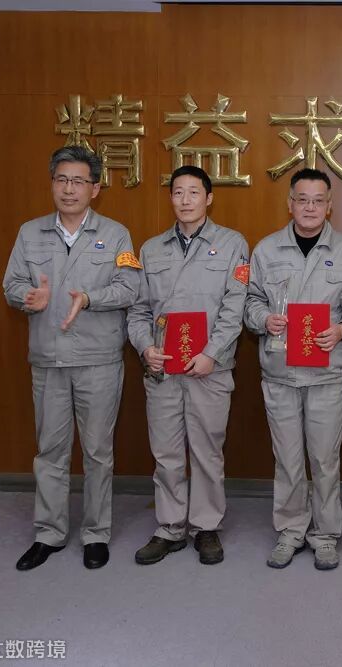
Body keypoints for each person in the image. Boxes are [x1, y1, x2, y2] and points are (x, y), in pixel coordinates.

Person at [3, 145, 139, 571]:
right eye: (61, 180)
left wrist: (90, 297)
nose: (68, 189)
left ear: (95, 189)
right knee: (50, 451)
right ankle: (49, 533)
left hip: (99, 360)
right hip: (48, 359)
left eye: (78, 181)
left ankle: (96, 534)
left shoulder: (116, 234)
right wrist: (27, 296)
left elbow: (130, 288)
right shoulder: (29, 233)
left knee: (98, 452)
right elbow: (11, 284)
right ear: (52, 184)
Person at [127, 165, 249, 566]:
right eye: (178, 192)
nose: (185, 200)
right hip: (163, 369)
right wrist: (145, 347)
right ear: (171, 198)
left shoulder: (232, 244)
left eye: (194, 192)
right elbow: (138, 309)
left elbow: (234, 307)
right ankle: (169, 527)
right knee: (166, 453)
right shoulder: (151, 249)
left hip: (209, 369)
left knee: (207, 451)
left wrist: (211, 352)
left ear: (209, 198)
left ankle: (206, 526)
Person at [244, 168, 342, 571]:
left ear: (329, 206)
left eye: (318, 200)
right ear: (289, 203)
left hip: (328, 372)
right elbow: (250, 301)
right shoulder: (267, 250)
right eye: (302, 200)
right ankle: (291, 530)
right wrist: (264, 319)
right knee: (288, 459)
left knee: (325, 459)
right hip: (280, 372)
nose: (310, 207)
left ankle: (325, 534)